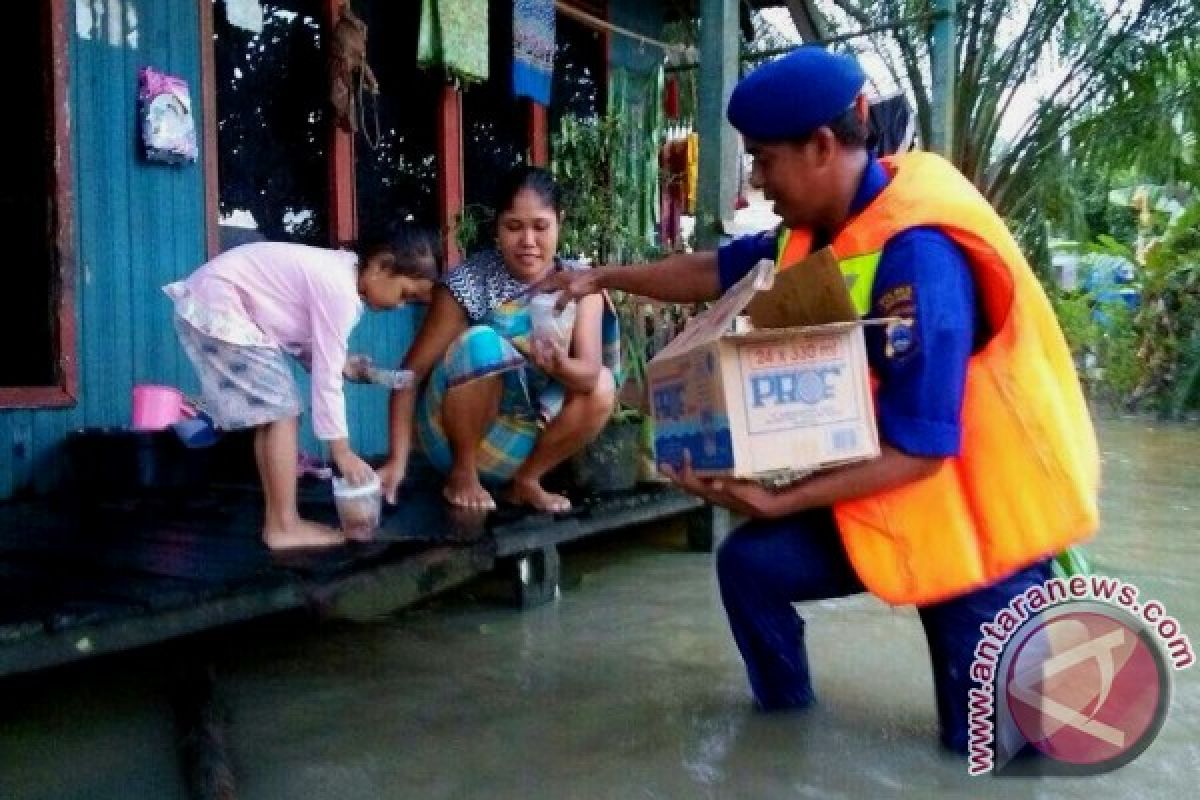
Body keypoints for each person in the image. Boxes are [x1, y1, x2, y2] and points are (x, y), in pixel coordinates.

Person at [533, 46, 1099, 753]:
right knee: (749, 567)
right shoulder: (813, 231)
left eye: (765, 160)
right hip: (892, 492)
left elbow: (922, 450)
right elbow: (714, 269)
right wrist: (602, 277)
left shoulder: (919, 256)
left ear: (823, 145)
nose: (756, 180)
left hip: (979, 524)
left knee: (986, 754)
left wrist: (776, 500)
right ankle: (781, 737)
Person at [164, 225, 440, 550]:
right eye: (405, 294)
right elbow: (325, 379)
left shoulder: (339, 275)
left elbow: (300, 338)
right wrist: (341, 451)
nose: (400, 306)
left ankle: (279, 521)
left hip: (216, 300)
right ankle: (283, 525)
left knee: (276, 412)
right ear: (380, 265)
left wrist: (345, 365)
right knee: (283, 411)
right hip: (222, 303)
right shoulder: (339, 289)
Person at [376, 166, 617, 513]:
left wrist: (558, 365)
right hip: (451, 437)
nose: (528, 242)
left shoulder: (580, 285)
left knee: (604, 386)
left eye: (540, 226)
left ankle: (528, 481)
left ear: (559, 221)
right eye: (514, 227)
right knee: (482, 343)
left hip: (525, 441)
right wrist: (397, 463)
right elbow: (409, 374)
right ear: (497, 228)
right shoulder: (469, 284)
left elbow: (589, 376)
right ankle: (463, 474)